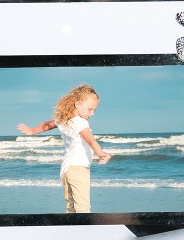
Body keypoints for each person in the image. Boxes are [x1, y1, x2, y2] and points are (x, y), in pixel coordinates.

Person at [17, 84, 112, 213]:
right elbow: (90, 140)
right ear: (77, 104)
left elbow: (48, 125)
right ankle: (84, 226)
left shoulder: (65, 119)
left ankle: (71, 225)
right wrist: (101, 154)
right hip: (79, 168)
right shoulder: (80, 122)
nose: (92, 113)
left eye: (94, 110)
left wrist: (32, 130)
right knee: (83, 207)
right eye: (90, 109)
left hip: (67, 169)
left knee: (71, 206)